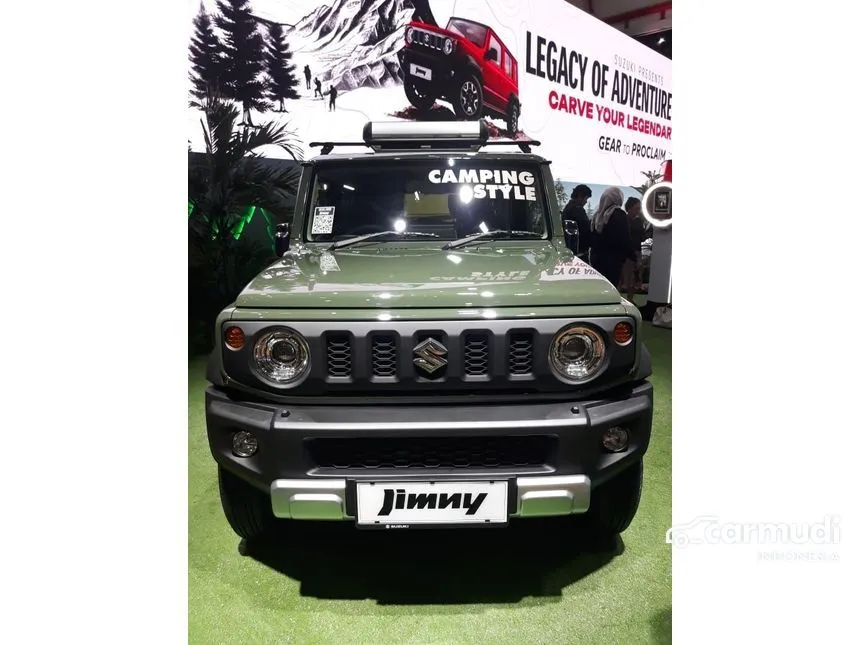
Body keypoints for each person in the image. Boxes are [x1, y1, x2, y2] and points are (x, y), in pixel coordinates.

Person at [589, 187, 638, 289]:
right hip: (612, 261)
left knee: (598, 288)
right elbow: (624, 239)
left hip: (596, 259)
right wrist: (633, 257)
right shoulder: (618, 214)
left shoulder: (597, 215)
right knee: (610, 288)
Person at [620, 196, 647, 301]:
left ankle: (631, 299)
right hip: (626, 252)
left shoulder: (639, 221)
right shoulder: (624, 220)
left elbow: (643, 237)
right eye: (636, 208)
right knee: (624, 277)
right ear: (629, 208)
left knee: (634, 277)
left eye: (639, 208)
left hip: (637, 251)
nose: (638, 211)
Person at [561, 184, 592, 258]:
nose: (586, 202)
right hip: (579, 252)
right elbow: (586, 228)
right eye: (586, 199)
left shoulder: (568, 207)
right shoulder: (577, 210)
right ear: (580, 196)